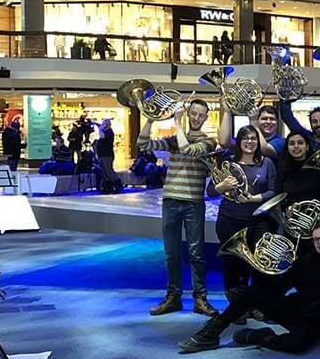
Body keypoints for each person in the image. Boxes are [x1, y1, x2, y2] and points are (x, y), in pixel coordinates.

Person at [177, 221, 320, 353]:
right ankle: (210, 334)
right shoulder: (307, 261)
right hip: (295, 310)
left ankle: (261, 336)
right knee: (251, 292)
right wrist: (271, 270)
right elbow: (281, 288)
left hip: (316, 323)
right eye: (316, 239)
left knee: (296, 345)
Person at [136, 99, 219, 317]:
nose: (196, 118)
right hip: (171, 200)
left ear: (206, 118)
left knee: (196, 253)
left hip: (193, 202)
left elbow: (187, 150)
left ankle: (200, 298)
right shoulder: (174, 140)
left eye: (201, 115)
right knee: (171, 253)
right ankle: (173, 297)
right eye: (193, 113)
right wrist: (150, 119)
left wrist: (178, 122)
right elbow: (142, 144)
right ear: (189, 113)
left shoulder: (209, 142)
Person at [207, 124, 277, 322]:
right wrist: (222, 186)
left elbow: (273, 191)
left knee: (259, 264)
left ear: (258, 142)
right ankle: (237, 306)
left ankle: (256, 303)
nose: (249, 142)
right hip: (229, 219)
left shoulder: (267, 163)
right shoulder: (227, 162)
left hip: (258, 220)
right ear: (239, 142)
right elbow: (210, 192)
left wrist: (254, 199)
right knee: (232, 264)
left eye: (253, 138)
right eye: (245, 138)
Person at [95, 118, 121, 192]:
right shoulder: (105, 131)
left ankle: (118, 185)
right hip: (102, 155)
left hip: (107, 155)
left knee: (108, 171)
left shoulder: (109, 132)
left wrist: (100, 129)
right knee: (104, 172)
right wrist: (95, 123)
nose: (102, 125)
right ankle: (107, 187)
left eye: (104, 123)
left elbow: (102, 136)